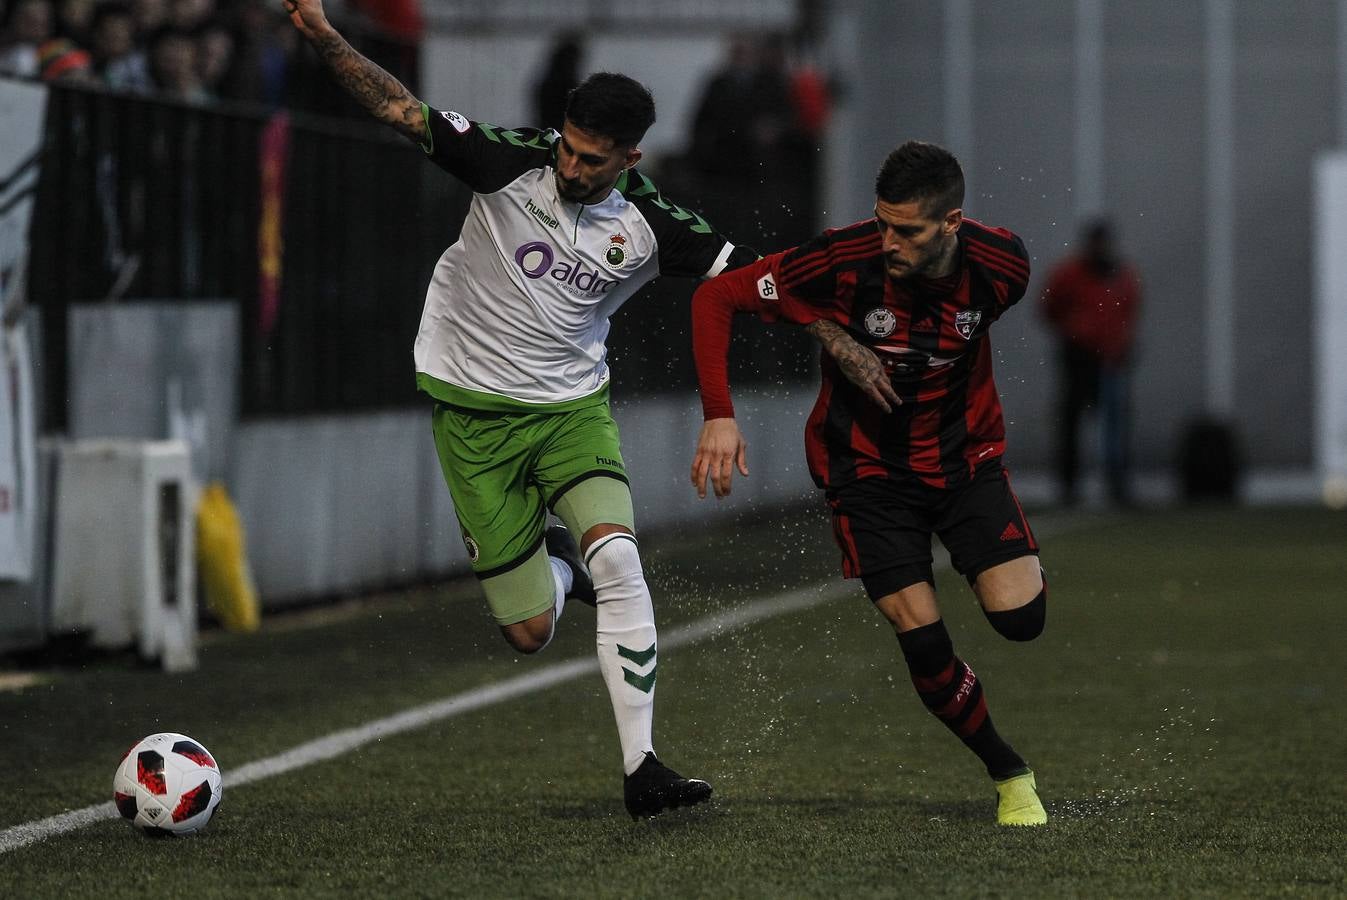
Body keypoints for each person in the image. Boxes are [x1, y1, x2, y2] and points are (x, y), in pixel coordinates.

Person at [284, 0, 761, 819]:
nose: (575, 171)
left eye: (595, 162)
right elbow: (399, 107)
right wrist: (328, 35)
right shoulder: (507, 162)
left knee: (621, 561)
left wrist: (842, 333)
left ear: (631, 157)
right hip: (470, 415)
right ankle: (557, 566)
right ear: (560, 132)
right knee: (529, 633)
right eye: (570, 151)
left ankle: (642, 768)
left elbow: (753, 280)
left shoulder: (649, 221)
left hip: (572, 411)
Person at [689, 141, 1049, 827]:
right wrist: (721, 414)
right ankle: (1008, 772)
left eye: (906, 231)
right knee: (920, 634)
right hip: (866, 473)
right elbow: (717, 296)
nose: (887, 242)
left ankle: (999, 576)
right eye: (881, 223)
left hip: (964, 463)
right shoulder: (842, 259)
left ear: (952, 224)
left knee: (1021, 620)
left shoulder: (1003, 266)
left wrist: (831, 330)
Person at [1038, 219, 1142, 506]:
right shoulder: (1071, 274)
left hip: (1111, 359)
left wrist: (1122, 343)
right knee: (1073, 420)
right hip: (1080, 357)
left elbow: (1130, 312)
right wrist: (1074, 331)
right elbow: (1049, 307)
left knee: (1115, 422)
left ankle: (1117, 483)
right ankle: (1069, 485)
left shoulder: (1120, 275)